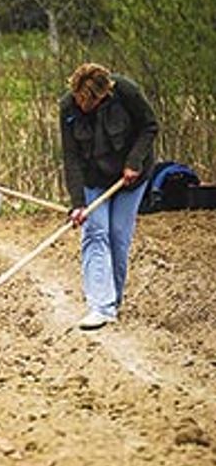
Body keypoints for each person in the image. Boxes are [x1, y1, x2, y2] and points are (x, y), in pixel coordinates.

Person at [60, 63, 158, 330]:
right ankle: (100, 306)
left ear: (102, 95)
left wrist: (134, 162)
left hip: (131, 176)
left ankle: (113, 301)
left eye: (87, 101)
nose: (81, 105)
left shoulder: (126, 92)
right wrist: (78, 203)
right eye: (78, 99)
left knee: (118, 236)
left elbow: (150, 126)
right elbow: (71, 157)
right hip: (94, 178)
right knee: (95, 232)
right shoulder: (67, 107)